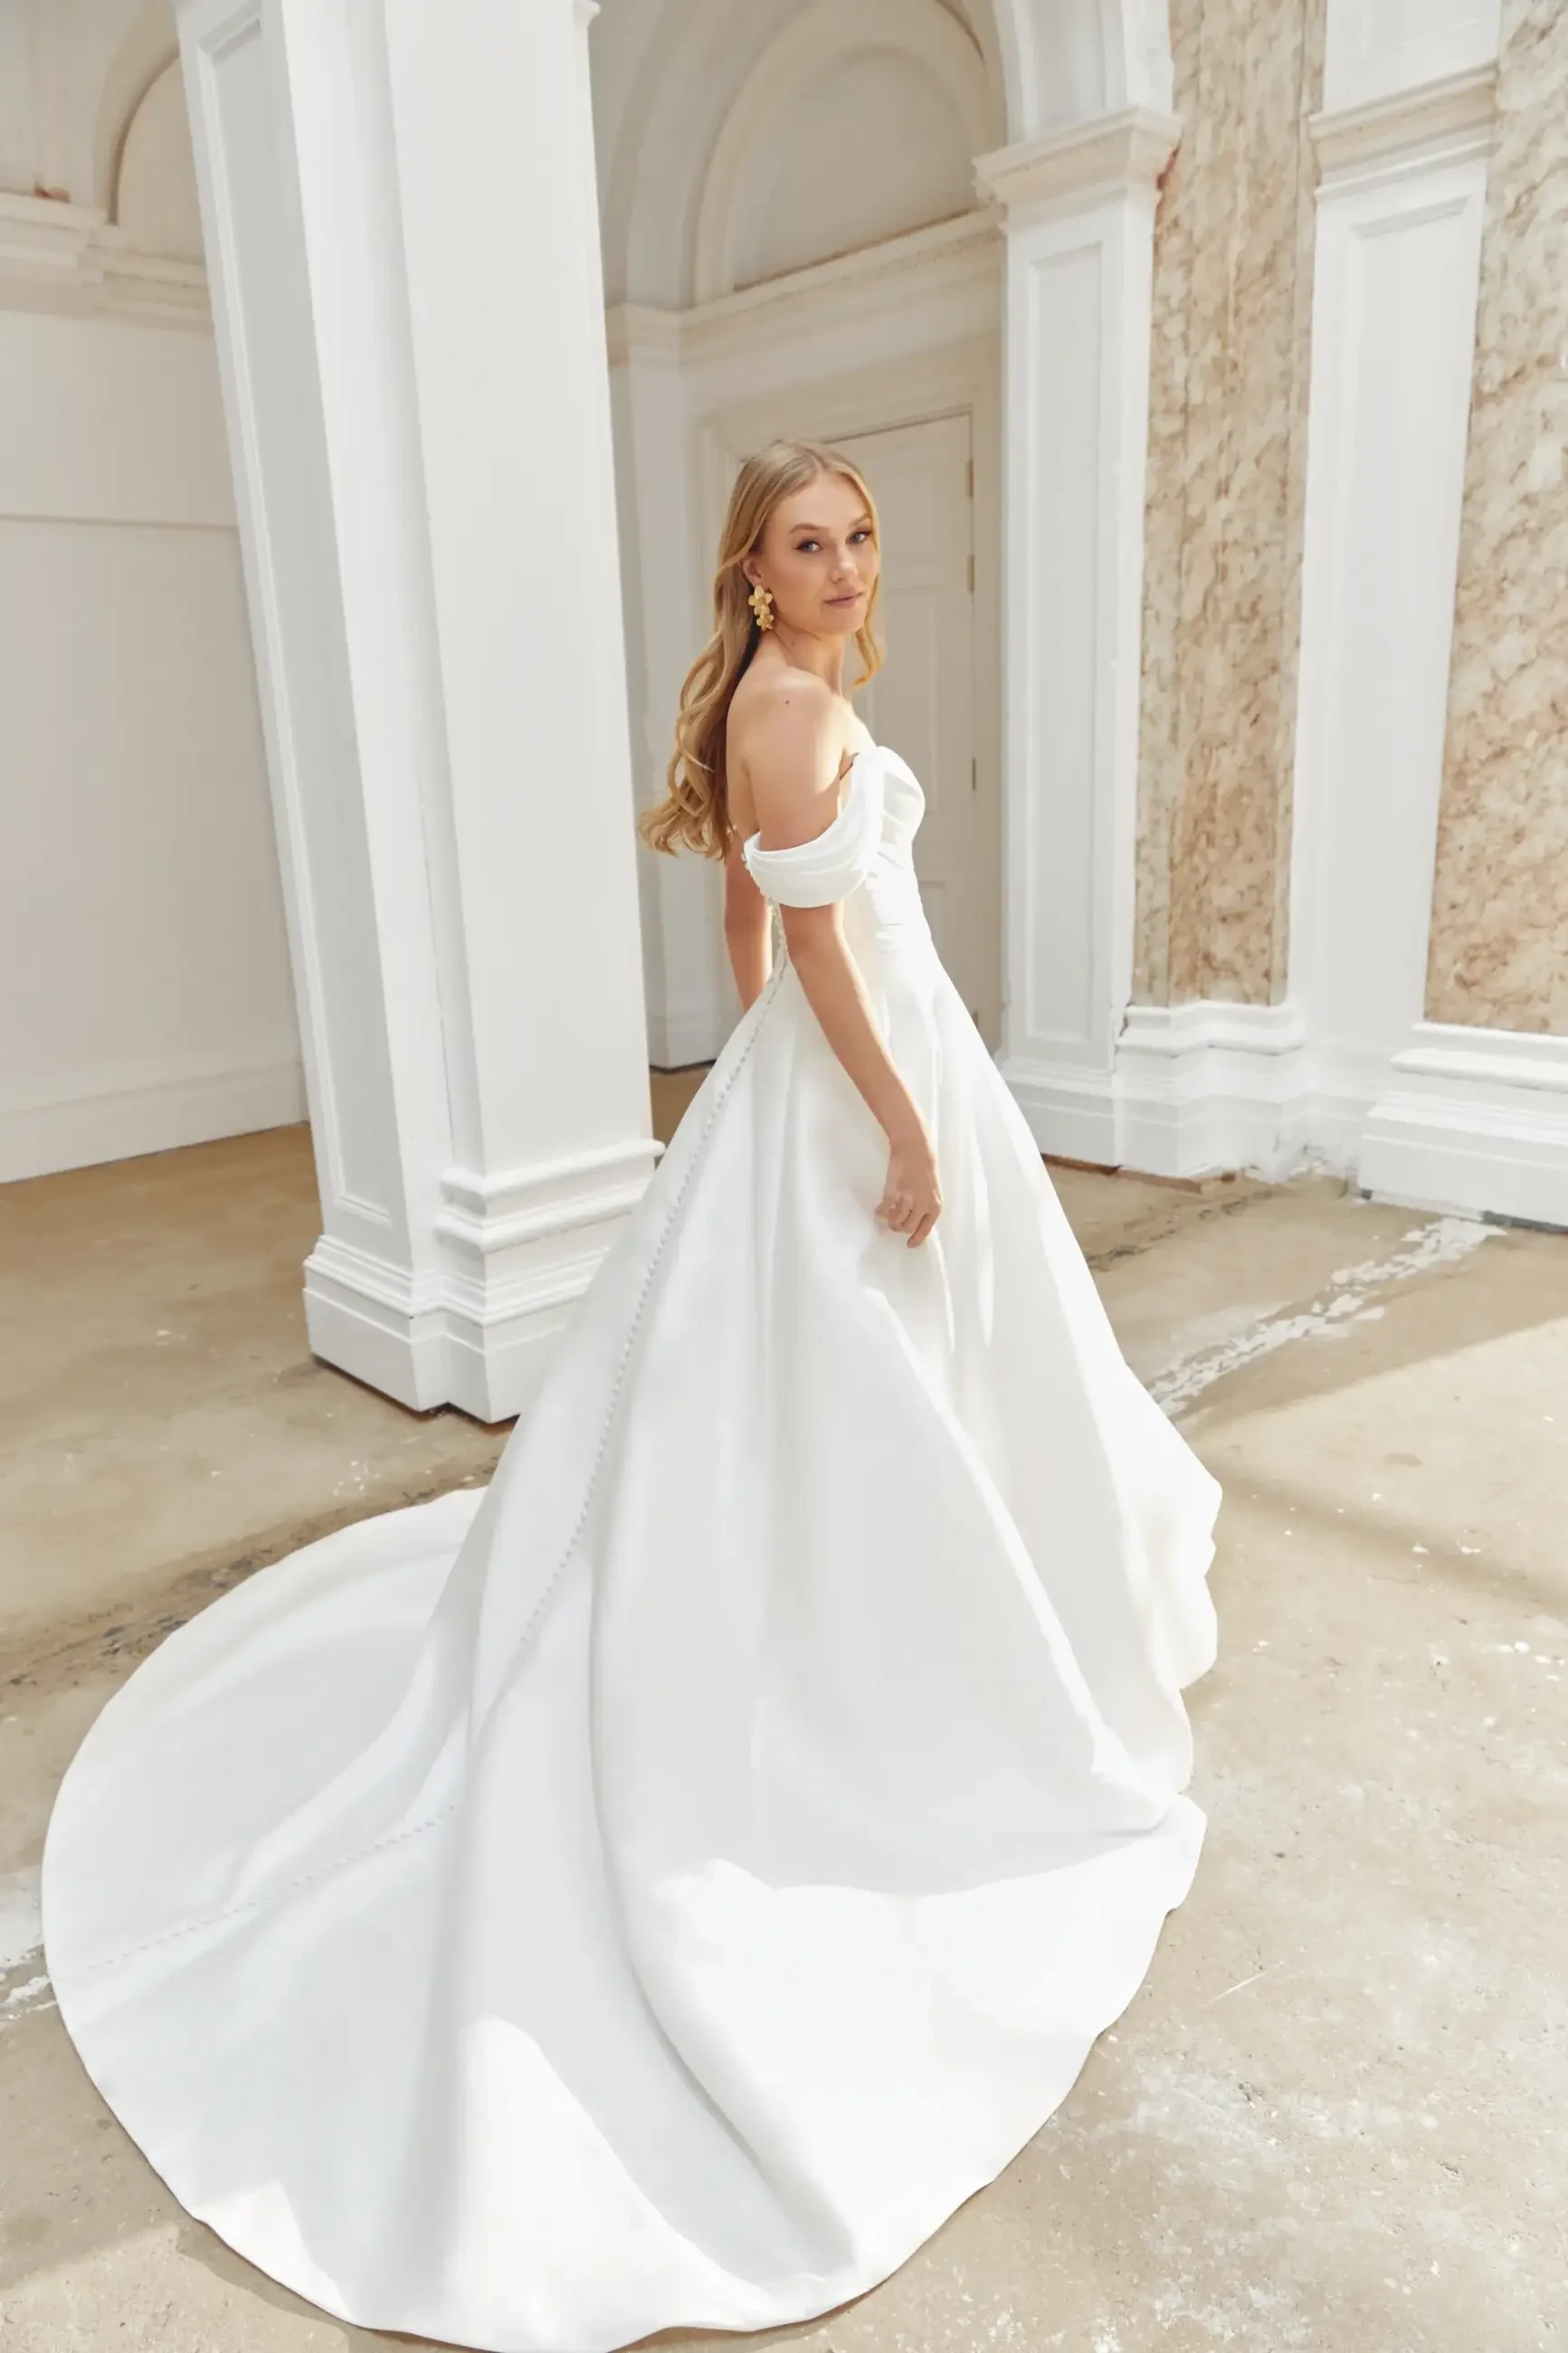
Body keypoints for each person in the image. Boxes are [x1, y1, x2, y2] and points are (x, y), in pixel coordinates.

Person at [41, 439, 1221, 2353]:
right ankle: (874, 1673)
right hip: (867, 1068)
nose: (842, 567)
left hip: (826, 1064)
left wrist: (772, 1043)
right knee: (848, 1373)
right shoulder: (790, 711)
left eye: (854, 536)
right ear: (751, 574)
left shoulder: (793, 702)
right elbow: (820, 940)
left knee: (906, 1374)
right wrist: (900, 1123)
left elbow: (756, 924)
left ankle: (944, 1592)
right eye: (805, 546)